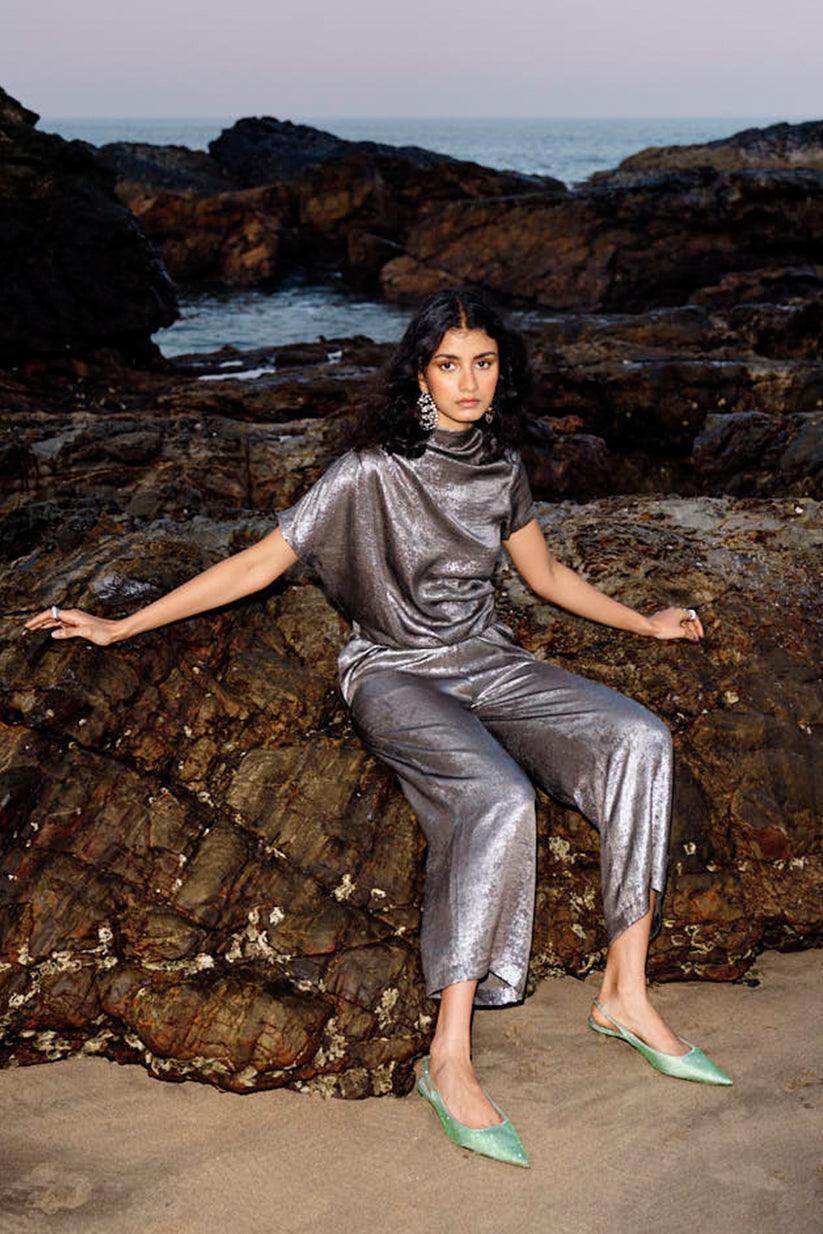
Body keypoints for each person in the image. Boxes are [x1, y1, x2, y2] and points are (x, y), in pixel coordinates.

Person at [22, 285, 732, 1169]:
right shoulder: (366, 470)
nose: (467, 382)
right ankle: (449, 1056)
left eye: (483, 363)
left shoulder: (500, 465)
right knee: (497, 798)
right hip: (393, 673)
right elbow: (259, 563)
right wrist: (121, 625)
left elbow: (545, 578)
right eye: (448, 364)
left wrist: (644, 623)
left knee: (639, 739)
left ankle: (624, 993)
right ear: (418, 374)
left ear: (501, 371)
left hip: (487, 660)